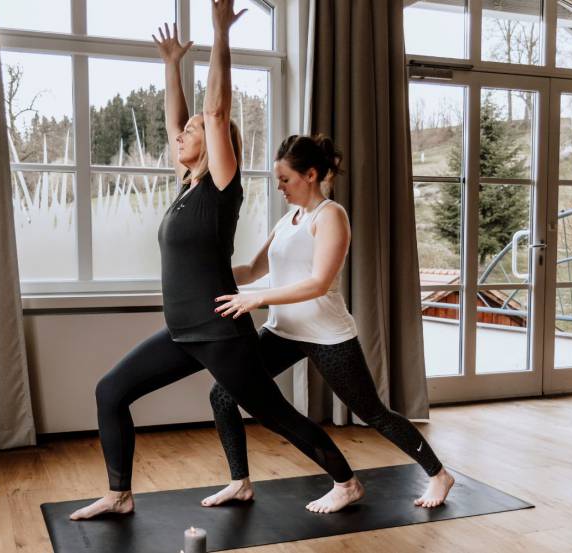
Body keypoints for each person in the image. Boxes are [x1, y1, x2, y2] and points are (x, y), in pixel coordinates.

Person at [69, 1, 363, 521]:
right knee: (111, 391)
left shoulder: (221, 188)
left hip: (219, 328)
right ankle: (119, 493)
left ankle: (345, 480)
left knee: (272, 412)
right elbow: (180, 120)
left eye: (192, 132)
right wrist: (169, 65)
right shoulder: (186, 186)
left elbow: (217, 112)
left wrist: (219, 35)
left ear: (218, 146)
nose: (179, 134)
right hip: (183, 329)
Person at [202, 134, 455, 509]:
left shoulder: (331, 216)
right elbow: (254, 268)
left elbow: (319, 282)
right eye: (278, 181)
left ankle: (438, 475)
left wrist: (257, 298)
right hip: (283, 331)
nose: (280, 188)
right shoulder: (289, 219)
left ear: (311, 175)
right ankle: (240, 482)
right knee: (222, 394)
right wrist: (208, 275)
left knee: (372, 412)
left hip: (326, 334)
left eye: (285, 179)